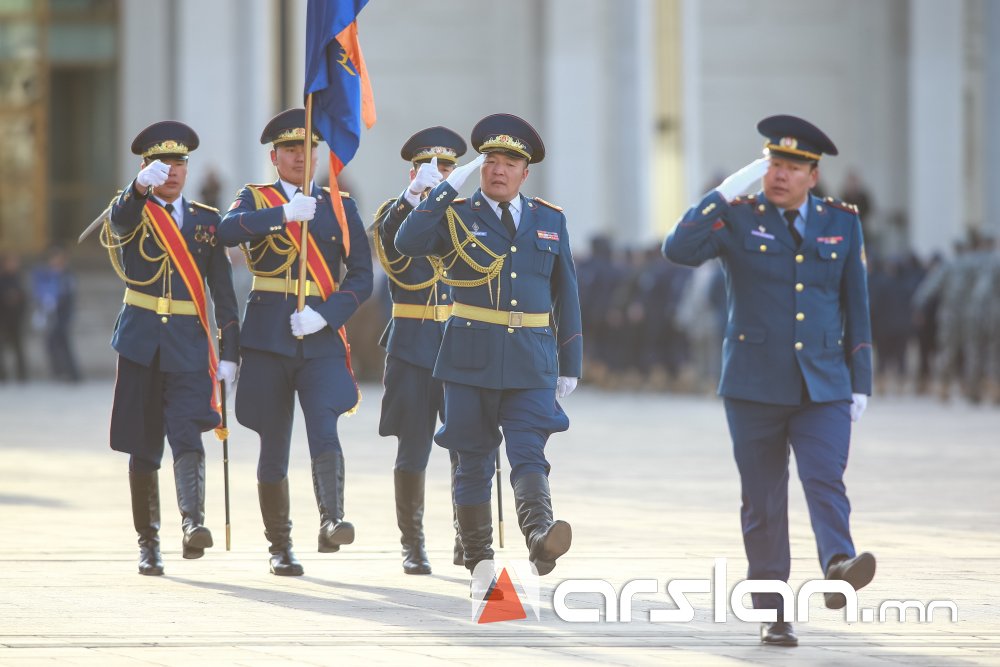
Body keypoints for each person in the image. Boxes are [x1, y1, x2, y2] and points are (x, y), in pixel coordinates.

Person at [663, 115, 875, 647]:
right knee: (763, 500)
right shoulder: (738, 217)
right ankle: (774, 610)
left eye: (792, 167)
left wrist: (861, 380)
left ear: (813, 175)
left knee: (825, 477)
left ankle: (839, 563)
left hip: (823, 384)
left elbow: (856, 304)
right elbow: (678, 249)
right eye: (773, 164)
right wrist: (723, 192)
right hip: (753, 386)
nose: (780, 175)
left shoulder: (841, 222)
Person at [395, 113, 583, 593]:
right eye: (491, 161)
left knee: (529, 451)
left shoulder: (550, 219)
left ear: (525, 172)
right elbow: (407, 242)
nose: (499, 170)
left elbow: (567, 293)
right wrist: (440, 191)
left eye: (509, 163)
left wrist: (570, 363)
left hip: (531, 359)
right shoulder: (456, 212)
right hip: (469, 357)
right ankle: (480, 561)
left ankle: (539, 535)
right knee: (474, 458)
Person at [218, 108, 373, 577]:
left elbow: (361, 277)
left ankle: (332, 520)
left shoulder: (339, 206)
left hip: (318, 337)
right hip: (268, 337)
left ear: (317, 155)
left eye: (307, 149)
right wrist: (282, 214)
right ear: (275, 157)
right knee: (274, 442)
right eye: (289, 150)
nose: (299, 157)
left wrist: (325, 315)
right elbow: (226, 231)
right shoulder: (256, 198)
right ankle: (280, 545)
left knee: (324, 427)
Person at [104, 121, 240, 575]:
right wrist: (136, 190)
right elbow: (119, 221)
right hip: (141, 342)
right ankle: (148, 542)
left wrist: (230, 351)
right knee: (144, 446)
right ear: (147, 168)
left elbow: (222, 290)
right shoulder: (134, 209)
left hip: (187, 344)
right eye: (164, 163)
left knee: (187, 432)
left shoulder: (206, 220)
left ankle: (192, 524)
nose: (174, 170)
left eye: (180, 162)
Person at [371, 126, 468, 575]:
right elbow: (392, 247)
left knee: (467, 447)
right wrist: (412, 199)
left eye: (446, 167)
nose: (439, 173)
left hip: (459, 346)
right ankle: (412, 544)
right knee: (413, 450)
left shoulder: (464, 216)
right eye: (430, 167)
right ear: (414, 173)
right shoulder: (395, 212)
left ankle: (467, 538)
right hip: (412, 346)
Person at [31, 244, 81, 382]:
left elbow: (69, 295)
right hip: (49, 313)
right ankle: (59, 372)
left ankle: (72, 373)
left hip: (63, 314)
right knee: (50, 343)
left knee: (64, 343)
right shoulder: (46, 273)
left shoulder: (67, 275)